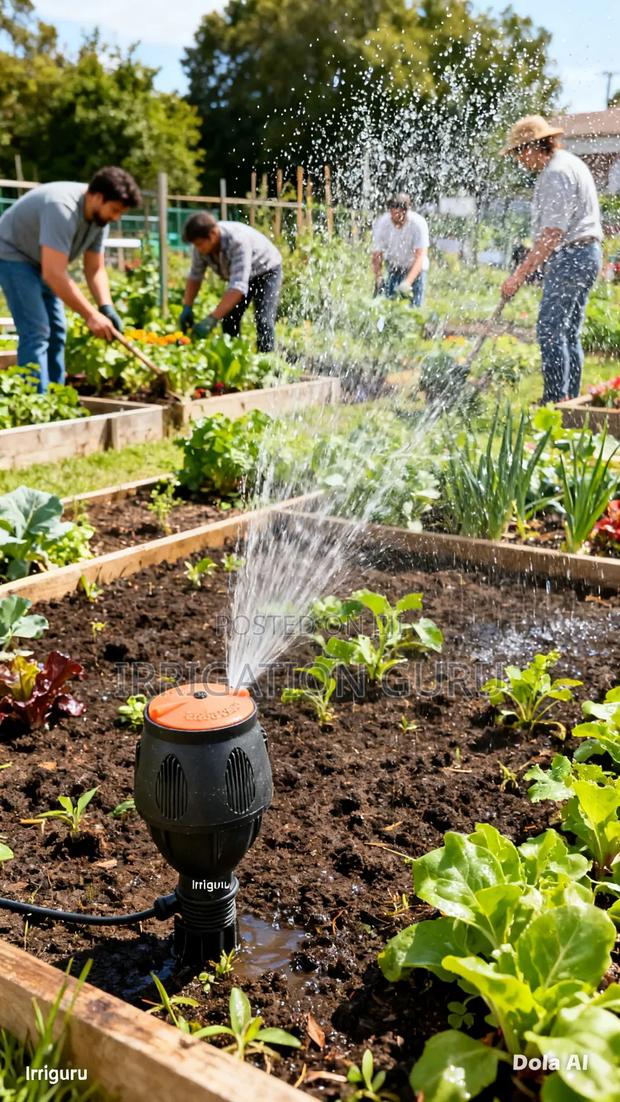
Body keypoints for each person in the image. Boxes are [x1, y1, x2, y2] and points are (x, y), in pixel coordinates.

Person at [0, 167, 141, 392]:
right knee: (36, 330)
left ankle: (56, 398)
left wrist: (106, 308)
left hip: (42, 261)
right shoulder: (62, 208)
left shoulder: (99, 220)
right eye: (114, 210)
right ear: (96, 197)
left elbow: (94, 269)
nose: (115, 217)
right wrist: (91, 316)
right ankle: (33, 401)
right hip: (13, 254)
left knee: (57, 330)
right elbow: (53, 273)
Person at [500, 115, 602, 404]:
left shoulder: (554, 173)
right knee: (569, 331)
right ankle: (569, 400)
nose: (520, 160)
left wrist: (518, 276)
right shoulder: (571, 163)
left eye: (519, 152)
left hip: (571, 255)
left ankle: (555, 401)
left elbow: (552, 233)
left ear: (533, 147)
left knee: (550, 330)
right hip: (587, 253)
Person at [180, 213, 283, 352]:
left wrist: (211, 319)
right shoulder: (202, 248)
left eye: (199, 244)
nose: (198, 249)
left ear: (213, 234)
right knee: (229, 318)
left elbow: (238, 288)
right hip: (244, 275)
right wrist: (187, 306)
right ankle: (233, 359)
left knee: (264, 319)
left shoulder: (237, 241)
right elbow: (195, 276)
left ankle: (267, 363)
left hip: (267, 270)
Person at [372, 193, 430, 307]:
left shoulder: (418, 224)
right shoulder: (383, 223)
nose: (397, 213)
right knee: (389, 307)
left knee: (414, 310)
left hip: (416, 270)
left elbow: (420, 256)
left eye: (401, 209)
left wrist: (408, 282)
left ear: (406, 210)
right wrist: (378, 277)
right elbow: (377, 254)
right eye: (393, 208)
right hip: (395, 268)